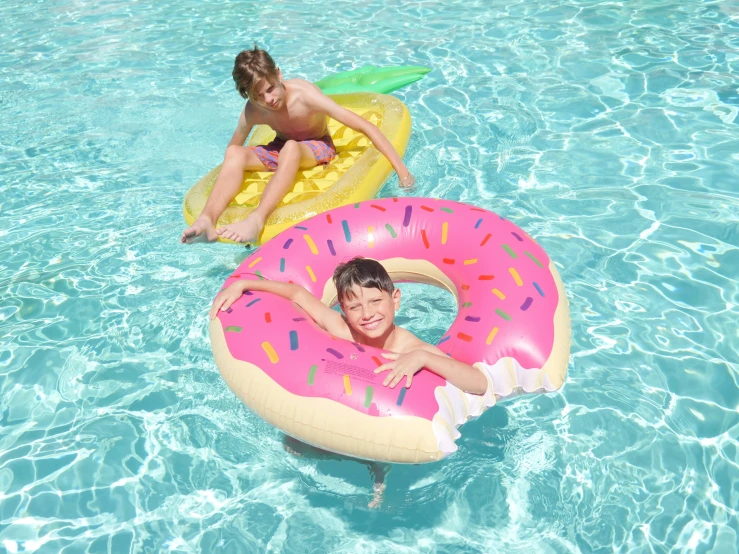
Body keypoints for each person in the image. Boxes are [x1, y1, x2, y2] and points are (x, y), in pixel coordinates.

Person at [182, 46, 416, 245]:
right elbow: (232, 152)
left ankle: (257, 218)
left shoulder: (305, 96)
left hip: (318, 146)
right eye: (258, 96)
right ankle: (207, 220)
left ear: (279, 74)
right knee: (235, 152)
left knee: (292, 147)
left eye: (271, 88)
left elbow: (365, 127)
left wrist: (402, 172)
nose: (269, 100)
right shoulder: (254, 111)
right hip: (280, 146)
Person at [209, 257, 488, 394]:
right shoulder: (342, 329)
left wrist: (424, 358)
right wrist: (244, 283)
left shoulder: (410, 347)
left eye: (376, 302)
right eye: (354, 306)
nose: (367, 314)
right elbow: (298, 295)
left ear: (395, 300)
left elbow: (478, 384)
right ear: (343, 309)